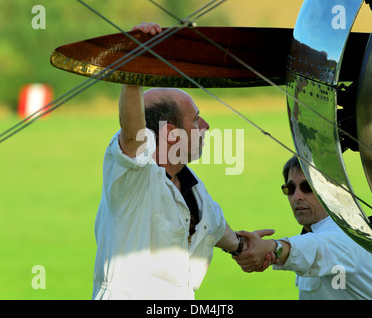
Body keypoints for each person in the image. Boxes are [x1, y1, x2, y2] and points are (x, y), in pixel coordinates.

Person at [91, 22, 271, 300]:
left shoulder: (195, 190)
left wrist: (243, 248)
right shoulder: (132, 180)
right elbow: (132, 136)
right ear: (171, 134)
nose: (206, 125)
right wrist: (132, 76)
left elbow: (217, 230)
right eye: (196, 118)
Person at [234, 155, 372, 300]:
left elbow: (317, 247)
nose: (297, 197)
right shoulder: (315, 232)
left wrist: (272, 248)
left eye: (308, 187)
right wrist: (238, 247)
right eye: (290, 188)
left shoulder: (348, 234)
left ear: (332, 190)